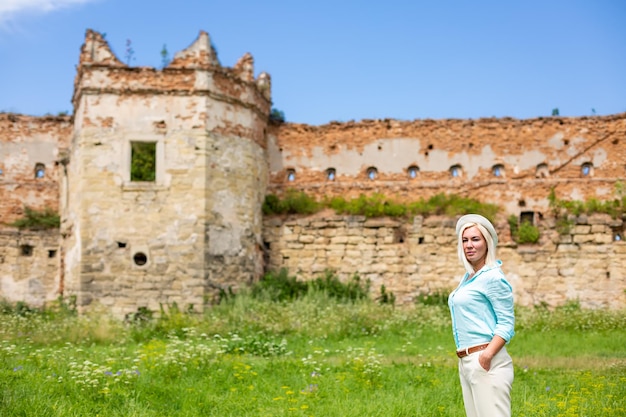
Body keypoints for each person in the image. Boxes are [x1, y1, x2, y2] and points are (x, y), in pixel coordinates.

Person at [448, 214, 515, 417]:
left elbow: (506, 324)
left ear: (487, 242)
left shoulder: (493, 277)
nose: (469, 245)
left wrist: (486, 357)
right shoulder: (469, 277)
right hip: (467, 360)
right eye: (465, 240)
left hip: (486, 360)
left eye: (475, 239)